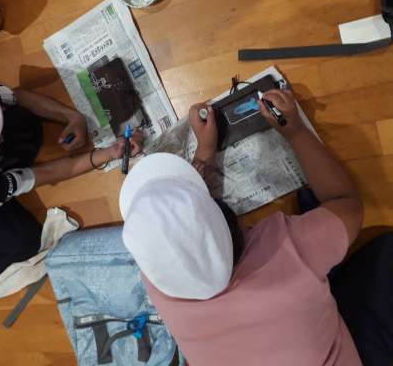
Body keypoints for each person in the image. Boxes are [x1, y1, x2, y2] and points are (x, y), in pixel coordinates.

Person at [119, 88, 366, 365]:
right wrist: (295, 130)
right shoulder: (289, 250)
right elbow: (347, 204)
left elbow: (179, 236)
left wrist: (205, 151)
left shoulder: (160, 286)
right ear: (237, 223)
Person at [0, 74, 143, 279]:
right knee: (23, 245)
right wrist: (108, 154)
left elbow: (16, 96)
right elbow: (46, 173)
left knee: (22, 121)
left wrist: (72, 117)